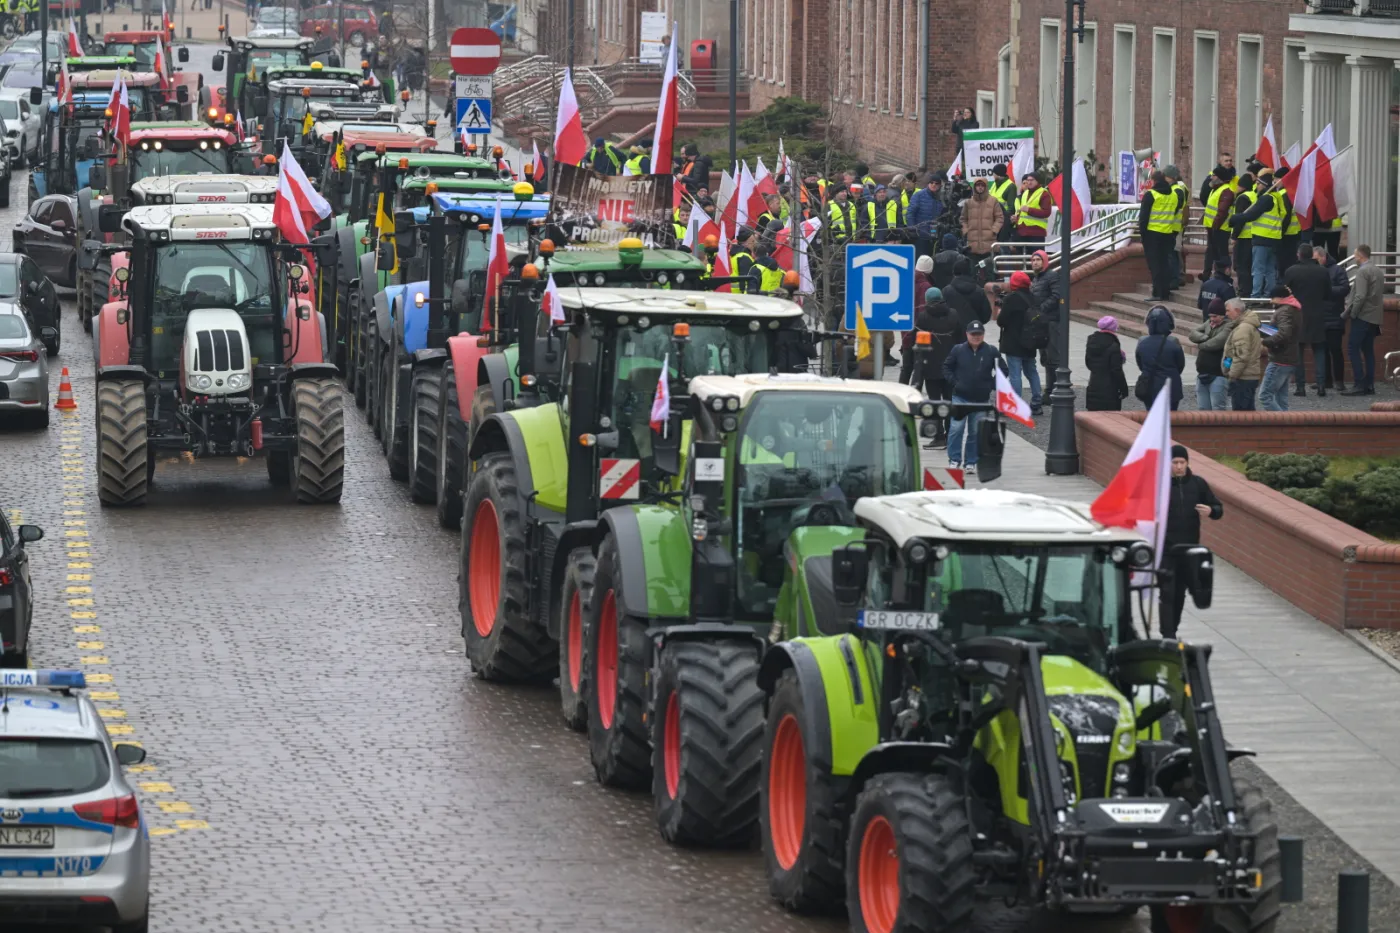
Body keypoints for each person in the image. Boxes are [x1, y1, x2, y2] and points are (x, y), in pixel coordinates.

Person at [1160, 445, 1223, 639]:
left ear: (1187, 463)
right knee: (1167, 593)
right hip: (1166, 551)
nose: (1179, 466)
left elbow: (1218, 507)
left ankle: (1173, 629)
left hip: (1189, 550)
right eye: (1175, 462)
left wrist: (1211, 511)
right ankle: (1168, 635)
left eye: (1182, 463)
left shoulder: (1197, 484)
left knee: (1179, 594)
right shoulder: (1159, 485)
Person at [942, 320, 1004, 476]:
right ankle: (954, 459)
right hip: (960, 398)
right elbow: (946, 367)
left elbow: (1003, 371)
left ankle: (971, 462)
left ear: (983, 334)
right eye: (973, 334)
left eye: (979, 334)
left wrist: (991, 384)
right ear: (967, 334)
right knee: (956, 429)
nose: (976, 337)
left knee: (975, 432)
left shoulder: (991, 351)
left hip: (981, 400)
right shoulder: (958, 350)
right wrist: (955, 383)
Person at [1282, 242, 1332, 396]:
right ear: (1311, 255)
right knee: (1319, 351)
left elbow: (1285, 293)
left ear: (1299, 254)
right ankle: (1321, 386)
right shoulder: (1323, 272)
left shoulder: (1291, 271)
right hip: (1317, 314)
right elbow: (1328, 294)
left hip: (1298, 314)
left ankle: (1300, 387)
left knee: (1298, 352)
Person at [1230, 171, 1287, 298]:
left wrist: (1235, 218)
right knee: (1270, 270)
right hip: (1274, 238)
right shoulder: (1277, 198)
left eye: (1259, 183)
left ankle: (1255, 296)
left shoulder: (1266, 198)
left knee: (1258, 269)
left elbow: (1252, 214)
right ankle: (1269, 295)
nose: (1257, 186)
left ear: (1264, 184)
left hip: (1262, 239)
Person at [916, 289, 959, 448]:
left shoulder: (923, 317)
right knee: (949, 401)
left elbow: (920, 343)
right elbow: (960, 339)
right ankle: (951, 435)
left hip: (931, 366)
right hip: (950, 366)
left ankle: (939, 436)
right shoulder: (953, 314)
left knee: (934, 403)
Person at [994, 271, 1041, 413]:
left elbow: (1002, 321)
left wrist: (999, 312)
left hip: (1013, 342)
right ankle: (1037, 402)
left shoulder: (1011, 299)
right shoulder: (1034, 298)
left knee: (1015, 374)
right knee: (1032, 372)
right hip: (1030, 342)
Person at [1343, 244, 1384, 396]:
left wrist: (1352, 313)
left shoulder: (1362, 272)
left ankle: (1359, 384)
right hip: (1374, 317)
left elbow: (1360, 296)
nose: (1354, 258)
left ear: (1360, 256)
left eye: (1355, 255)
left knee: (1353, 348)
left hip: (1362, 316)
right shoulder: (1378, 270)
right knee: (1368, 351)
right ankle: (1369, 385)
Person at [1258, 287, 1301, 411]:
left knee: (1265, 396)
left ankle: (1282, 425)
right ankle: (1286, 426)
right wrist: (1264, 329)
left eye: (1273, 298)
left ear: (1280, 297)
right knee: (1281, 399)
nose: (1271, 301)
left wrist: (1264, 341)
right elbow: (1286, 332)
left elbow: (1284, 333)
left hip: (1280, 359)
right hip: (1289, 357)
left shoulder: (1284, 311)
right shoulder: (1294, 309)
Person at [1135, 306, 1186, 410]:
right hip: (1171, 387)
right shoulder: (1173, 342)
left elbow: (1140, 364)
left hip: (1149, 387)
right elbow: (1180, 365)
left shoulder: (1142, 342)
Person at [1139, 171, 1179, 300]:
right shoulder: (1173, 195)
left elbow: (1143, 218)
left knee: (1155, 265)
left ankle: (1157, 293)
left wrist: (1142, 235)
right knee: (1165, 264)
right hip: (1168, 234)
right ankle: (1165, 292)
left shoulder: (1151, 195)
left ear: (1153, 181)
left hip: (1152, 235)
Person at [1190, 300, 1236, 411]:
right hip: (1202, 373)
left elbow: (1215, 344)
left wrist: (1200, 344)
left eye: (1215, 316)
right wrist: (1204, 337)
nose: (1212, 319)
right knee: (1203, 409)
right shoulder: (1208, 323)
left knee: (1218, 411)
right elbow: (1192, 333)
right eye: (1210, 316)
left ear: (1222, 315)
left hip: (1218, 375)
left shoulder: (1229, 326)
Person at [1316, 246, 1351, 392]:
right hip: (1320, 317)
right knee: (1322, 350)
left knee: (1336, 351)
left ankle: (1339, 381)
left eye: (1316, 259)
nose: (1315, 262)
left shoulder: (1337, 270)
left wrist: (1327, 291)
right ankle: (1326, 381)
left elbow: (1345, 288)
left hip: (1334, 317)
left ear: (1323, 257)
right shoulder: (1317, 270)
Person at [1028, 249, 1060, 393]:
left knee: (1053, 357)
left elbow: (1056, 295)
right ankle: (1049, 388)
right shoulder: (1036, 278)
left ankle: (1054, 388)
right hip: (1040, 322)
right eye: (1033, 260)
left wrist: (1041, 309)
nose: (1035, 263)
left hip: (1051, 321)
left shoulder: (1051, 276)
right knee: (1045, 357)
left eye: (1038, 260)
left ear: (1044, 261)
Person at [1221, 299, 1263, 410]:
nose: (1226, 314)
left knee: (1241, 415)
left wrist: (1232, 376)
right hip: (1248, 376)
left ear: (1237, 310)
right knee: (1248, 413)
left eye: (1228, 310)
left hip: (1243, 377)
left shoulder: (1243, 329)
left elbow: (1240, 357)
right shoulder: (1246, 326)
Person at [1085, 316, 1129, 411]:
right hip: (1109, 391)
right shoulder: (1113, 345)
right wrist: (1124, 389)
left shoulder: (1092, 341)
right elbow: (1116, 370)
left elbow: (1088, 363)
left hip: (1093, 386)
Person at [903, 257, 936, 384]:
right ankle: (914, 395)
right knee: (919, 368)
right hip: (919, 333)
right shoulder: (926, 286)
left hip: (906, 331)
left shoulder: (906, 280)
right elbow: (924, 312)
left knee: (906, 367)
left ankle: (901, 392)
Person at [1200, 167, 1237, 277]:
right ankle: (1215, 275)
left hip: (1220, 229)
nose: (1211, 177)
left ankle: (1223, 275)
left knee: (1222, 254)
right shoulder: (1215, 189)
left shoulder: (1226, 191)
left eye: (1214, 175)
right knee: (1215, 253)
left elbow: (1222, 212)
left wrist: (1215, 227)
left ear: (1220, 178)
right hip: (1214, 227)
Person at [961, 177, 1004, 264]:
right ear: (974, 187)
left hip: (990, 244)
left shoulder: (993, 201)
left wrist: (994, 230)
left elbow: (1000, 218)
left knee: (989, 272)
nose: (980, 187)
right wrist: (965, 231)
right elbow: (963, 219)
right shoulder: (968, 202)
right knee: (973, 271)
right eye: (977, 185)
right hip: (972, 245)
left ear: (986, 187)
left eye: (982, 185)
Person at [943, 258, 992, 333]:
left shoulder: (946, 291)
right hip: (974, 331)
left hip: (952, 332)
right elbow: (986, 315)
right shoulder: (979, 291)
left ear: (954, 272)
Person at [906, 172, 945, 257]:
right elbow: (910, 213)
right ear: (928, 183)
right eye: (932, 183)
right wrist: (912, 229)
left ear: (939, 185)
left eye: (936, 183)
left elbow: (937, 218)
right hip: (919, 234)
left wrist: (935, 234)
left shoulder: (940, 198)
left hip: (933, 235)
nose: (934, 185)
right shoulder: (919, 195)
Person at [1163, 165, 1190, 288]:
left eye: (1166, 176)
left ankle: (1175, 280)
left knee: (1173, 255)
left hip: (1173, 227)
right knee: (1171, 255)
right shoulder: (1173, 188)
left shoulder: (1177, 189)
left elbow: (1175, 208)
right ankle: (1173, 279)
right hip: (1170, 227)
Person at [1229, 172, 1255, 296]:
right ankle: (1248, 289)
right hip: (1254, 235)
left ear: (1242, 186)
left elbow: (1240, 219)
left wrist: (1234, 236)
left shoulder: (1242, 198)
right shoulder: (1254, 195)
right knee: (1249, 265)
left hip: (1243, 236)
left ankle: (1243, 290)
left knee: (1241, 265)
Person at [1012, 173, 1051, 246]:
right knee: (1023, 256)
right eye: (1028, 180)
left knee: (1036, 256)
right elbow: (1023, 213)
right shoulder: (1025, 193)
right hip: (1022, 232)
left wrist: (1029, 210)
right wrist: (1016, 219)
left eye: (1032, 180)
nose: (1029, 182)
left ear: (1037, 181)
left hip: (1036, 232)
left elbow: (1046, 212)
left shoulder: (1044, 193)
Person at [988, 164, 1017, 241]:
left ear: (998, 174)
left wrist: (1005, 220)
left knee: (1002, 245)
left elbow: (1011, 207)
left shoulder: (1011, 186)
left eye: (994, 173)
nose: (993, 175)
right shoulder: (995, 184)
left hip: (1003, 221)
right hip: (992, 219)